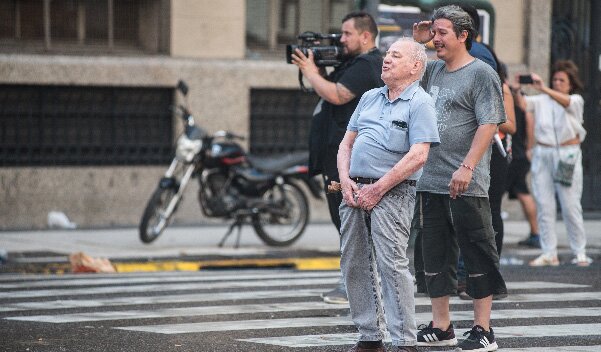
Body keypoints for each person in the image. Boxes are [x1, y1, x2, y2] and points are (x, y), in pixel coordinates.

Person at [412, 5, 507, 351]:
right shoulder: (432, 70)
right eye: (433, 33)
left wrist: (467, 167)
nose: (436, 39)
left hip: (466, 183)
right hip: (430, 179)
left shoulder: (482, 73)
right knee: (434, 256)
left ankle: (484, 329)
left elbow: (489, 123)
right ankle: (442, 326)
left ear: (463, 36)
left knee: (477, 252)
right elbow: (401, 76)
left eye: (441, 33)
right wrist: (418, 43)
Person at [338, 38, 439, 352]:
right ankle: (370, 336)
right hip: (354, 189)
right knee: (353, 263)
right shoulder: (370, 97)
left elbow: (418, 155)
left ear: (415, 66)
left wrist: (379, 188)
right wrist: (345, 181)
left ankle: (405, 341)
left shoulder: (419, 102)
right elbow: (346, 145)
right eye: (387, 54)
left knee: (391, 265)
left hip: (393, 193)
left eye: (396, 56)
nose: (387, 60)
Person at [291, 12, 384, 304]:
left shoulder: (368, 64)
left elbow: (337, 95)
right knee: (344, 223)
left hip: (349, 160)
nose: (340, 40)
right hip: (337, 158)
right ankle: (356, 284)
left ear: (365, 36)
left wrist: (310, 71)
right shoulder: (352, 63)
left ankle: (357, 287)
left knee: (351, 224)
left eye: (346, 34)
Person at [519, 60, 592, 267]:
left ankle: (580, 251)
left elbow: (566, 103)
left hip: (567, 154)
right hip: (543, 153)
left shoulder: (575, 100)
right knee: (544, 204)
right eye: (555, 79)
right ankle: (549, 252)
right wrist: (516, 90)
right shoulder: (542, 100)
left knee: (570, 205)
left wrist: (544, 87)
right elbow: (524, 105)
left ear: (570, 84)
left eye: (562, 80)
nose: (557, 83)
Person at [507, 83, 540, 249]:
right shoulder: (519, 108)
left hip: (515, 157)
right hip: (519, 156)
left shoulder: (515, 107)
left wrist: (528, 148)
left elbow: (530, 121)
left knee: (522, 192)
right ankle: (535, 233)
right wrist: (528, 148)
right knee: (522, 192)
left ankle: (536, 233)